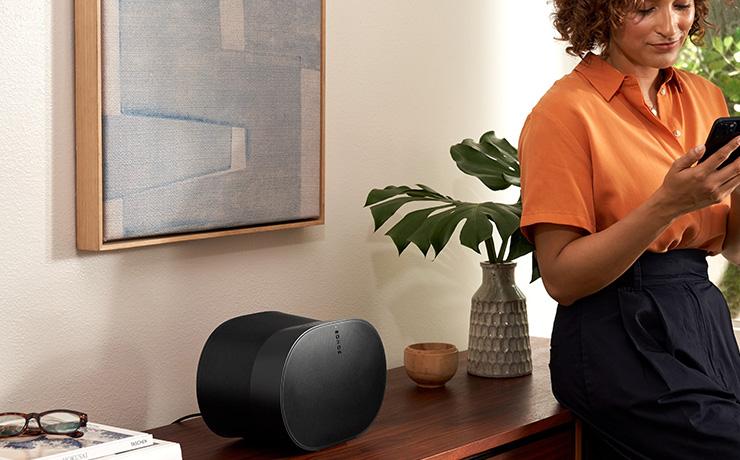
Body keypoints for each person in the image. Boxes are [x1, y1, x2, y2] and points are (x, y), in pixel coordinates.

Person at [518, 0, 740, 458]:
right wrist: (666, 205)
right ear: (598, 12)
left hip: (702, 319)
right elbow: (561, 278)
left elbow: (735, 246)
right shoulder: (563, 113)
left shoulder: (706, 97)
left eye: (681, 5)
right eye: (643, 9)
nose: (670, 26)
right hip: (613, 332)